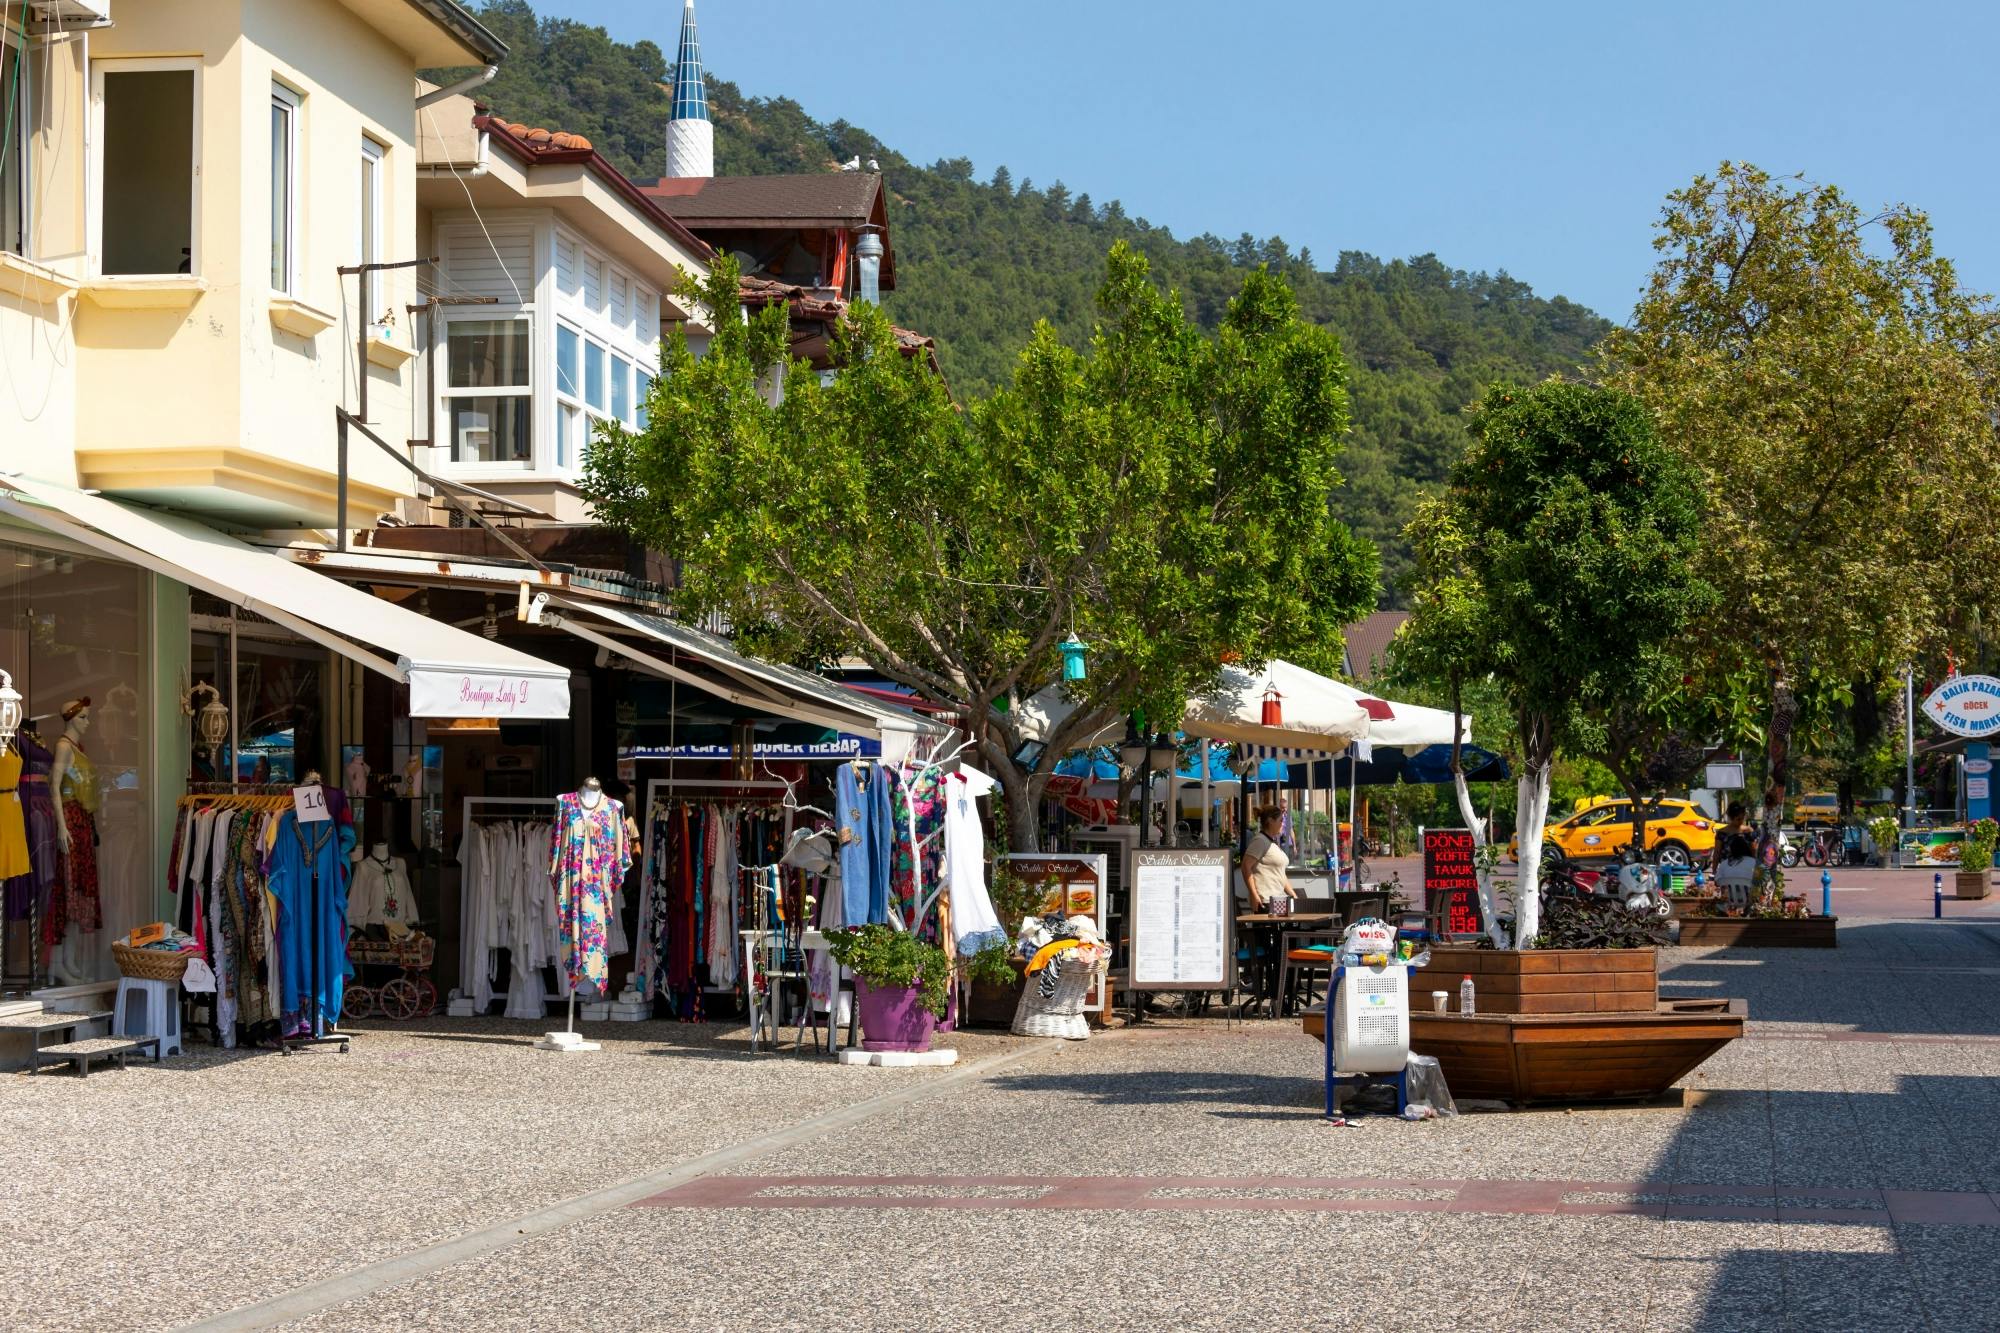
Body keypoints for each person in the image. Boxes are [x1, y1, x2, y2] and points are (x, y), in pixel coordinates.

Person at [1239, 806, 1294, 910]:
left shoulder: (1270, 842)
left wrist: (1294, 896)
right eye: (1281, 820)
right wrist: (1254, 895)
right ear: (1270, 821)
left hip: (1278, 900)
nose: (1283, 824)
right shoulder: (1260, 841)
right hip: (1265, 901)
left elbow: (1280, 873)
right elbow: (1246, 866)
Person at [1711, 800, 1757, 909]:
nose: (1741, 821)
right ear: (1732, 817)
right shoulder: (1722, 832)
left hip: (1744, 869)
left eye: (1743, 818)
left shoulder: (1748, 831)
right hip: (1727, 868)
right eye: (1738, 819)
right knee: (1728, 896)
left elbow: (1754, 850)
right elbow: (1717, 852)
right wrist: (1714, 870)